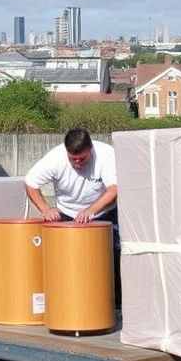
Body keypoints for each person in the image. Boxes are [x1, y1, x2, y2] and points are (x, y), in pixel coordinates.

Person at [25, 127, 121, 307]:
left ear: (90, 149)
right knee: (66, 260)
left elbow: (114, 190)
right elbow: (31, 183)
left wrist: (90, 211)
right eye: (73, 159)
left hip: (103, 212)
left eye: (82, 159)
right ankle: (67, 302)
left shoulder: (107, 155)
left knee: (112, 255)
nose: (77, 163)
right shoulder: (55, 158)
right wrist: (46, 209)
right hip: (67, 213)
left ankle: (113, 305)